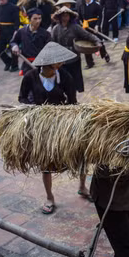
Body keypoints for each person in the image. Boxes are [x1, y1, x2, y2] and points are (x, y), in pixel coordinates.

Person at [18, 42, 89, 213]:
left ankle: (83, 186)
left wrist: (71, 118)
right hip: (41, 125)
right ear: (48, 64)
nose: (61, 65)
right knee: (46, 161)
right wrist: (34, 109)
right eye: (58, 62)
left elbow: (72, 102)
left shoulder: (65, 77)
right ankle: (49, 197)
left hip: (62, 123)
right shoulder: (30, 77)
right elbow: (22, 98)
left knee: (81, 153)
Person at [50, 7, 101, 93]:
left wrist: (97, 41)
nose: (65, 18)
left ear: (70, 17)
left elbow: (87, 35)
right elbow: (52, 43)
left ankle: (74, 98)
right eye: (63, 16)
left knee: (75, 81)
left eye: (67, 16)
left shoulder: (75, 27)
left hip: (74, 58)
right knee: (64, 82)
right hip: (61, 61)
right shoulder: (55, 29)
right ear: (59, 17)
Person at [10, 8, 51, 74]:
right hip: (27, 64)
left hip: (42, 65)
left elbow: (49, 49)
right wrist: (15, 46)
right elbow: (13, 42)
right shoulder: (22, 31)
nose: (38, 21)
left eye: (39, 18)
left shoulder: (45, 34)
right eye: (35, 19)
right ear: (29, 19)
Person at [77, 0, 111, 67]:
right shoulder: (81, 6)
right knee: (86, 44)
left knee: (99, 41)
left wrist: (97, 26)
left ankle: (105, 54)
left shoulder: (96, 5)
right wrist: (81, 24)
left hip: (95, 26)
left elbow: (100, 16)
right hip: (85, 27)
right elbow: (79, 17)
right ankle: (90, 63)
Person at [0, 0, 21, 72]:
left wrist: (16, 30)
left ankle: (15, 65)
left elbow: (17, 20)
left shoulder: (13, 8)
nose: (1, 2)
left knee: (13, 48)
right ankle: (8, 62)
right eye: (0, 0)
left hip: (10, 29)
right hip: (1, 30)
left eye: (2, 0)